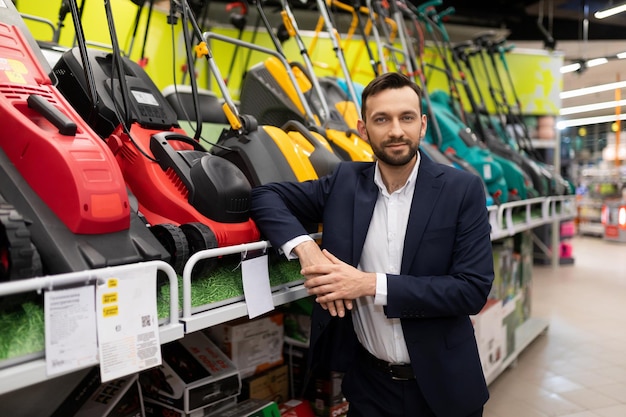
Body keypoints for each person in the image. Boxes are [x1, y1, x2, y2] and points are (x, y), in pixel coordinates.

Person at [250, 72, 494, 417]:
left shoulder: (461, 190)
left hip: (445, 388)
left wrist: (367, 284)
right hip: (369, 388)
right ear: (363, 129)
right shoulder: (345, 183)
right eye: (382, 119)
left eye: (406, 117)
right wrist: (306, 250)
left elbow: (471, 290)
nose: (396, 130)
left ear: (422, 125)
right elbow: (265, 195)